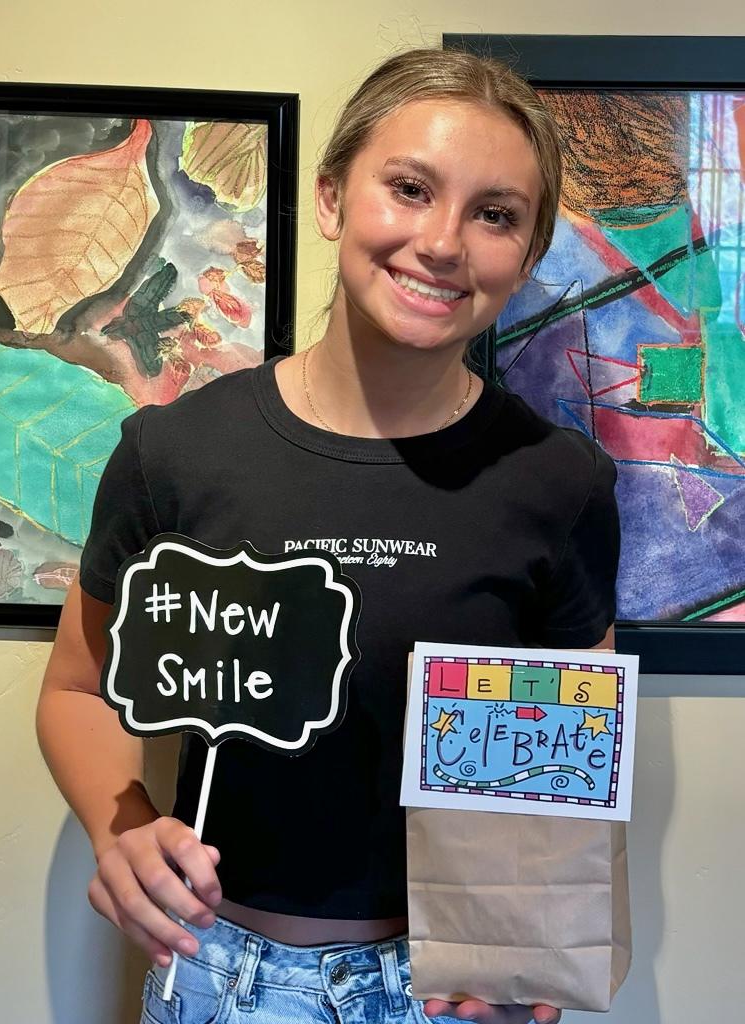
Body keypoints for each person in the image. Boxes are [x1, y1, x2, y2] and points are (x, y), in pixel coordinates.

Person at [36, 47, 619, 1024]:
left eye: (494, 214)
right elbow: (77, 689)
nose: (442, 241)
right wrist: (120, 828)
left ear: (525, 257)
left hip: (450, 987)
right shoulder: (173, 453)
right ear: (332, 196)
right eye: (410, 188)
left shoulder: (560, 483)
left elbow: (567, 751)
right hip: (216, 974)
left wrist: (532, 943)